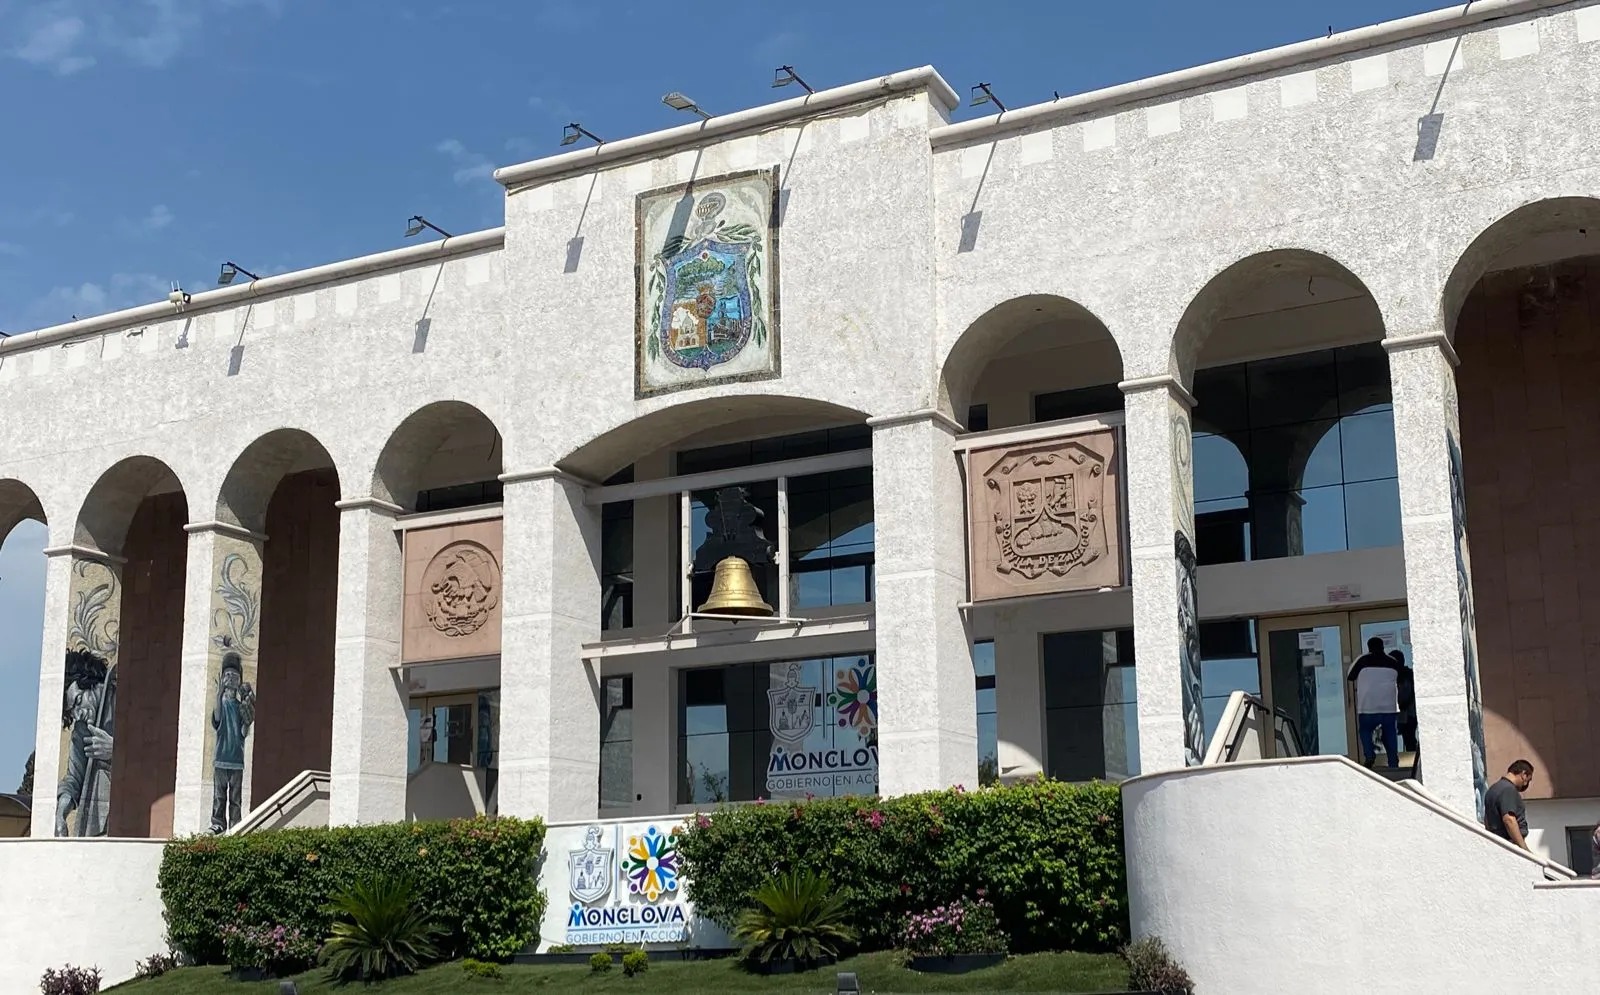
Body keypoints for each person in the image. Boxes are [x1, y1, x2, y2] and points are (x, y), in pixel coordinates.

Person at [56, 649, 116, 837]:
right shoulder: (82, 730)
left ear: (90, 683)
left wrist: (116, 751)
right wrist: (61, 813)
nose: (78, 714)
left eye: (78, 701)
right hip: (96, 826)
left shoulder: (125, 701)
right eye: (71, 711)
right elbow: (74, 779)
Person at [210, 652, 256, 834]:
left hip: (236, 759)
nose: (231, 678)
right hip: (221, 758)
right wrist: (219, 693)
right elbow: (217, 718)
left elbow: (243, 733)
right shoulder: (221, 704)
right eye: (227, 675)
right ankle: (218, 822)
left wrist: (248, 721)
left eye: (235, 676)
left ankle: (235, 824)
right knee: (219, 795)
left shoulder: (240, 706)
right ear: (222, 678)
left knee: (235, 798)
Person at [1346, 637, 1403, 770]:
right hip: (1389, 706)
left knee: (1365, 730)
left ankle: (1370, 755)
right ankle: (1393, 762)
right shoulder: (1392, 661)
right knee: (1390, 734)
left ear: (1369, 647)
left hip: (1368, 705)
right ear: (1383, 647)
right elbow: (1400, 677)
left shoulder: (1362, 660)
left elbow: (1350, 676)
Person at [1483, 759, 1535, 850]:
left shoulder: (1493, 789)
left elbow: (1486, 820)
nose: (1526, 784)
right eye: (1528, 780)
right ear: (1524, 774)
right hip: (1509, 846)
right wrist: (1523, 848)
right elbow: (1509, 819)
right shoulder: (1508, 790)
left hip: (1497, 844)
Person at [1391, 649, 1419, 754]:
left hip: (1409, 712)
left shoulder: (1407, 675)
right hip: (1401, 712)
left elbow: (1412, 693)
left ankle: (1412, 756)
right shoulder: (1395, 675)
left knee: (1409, 737)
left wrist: (1404, 704)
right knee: (1406, 736)